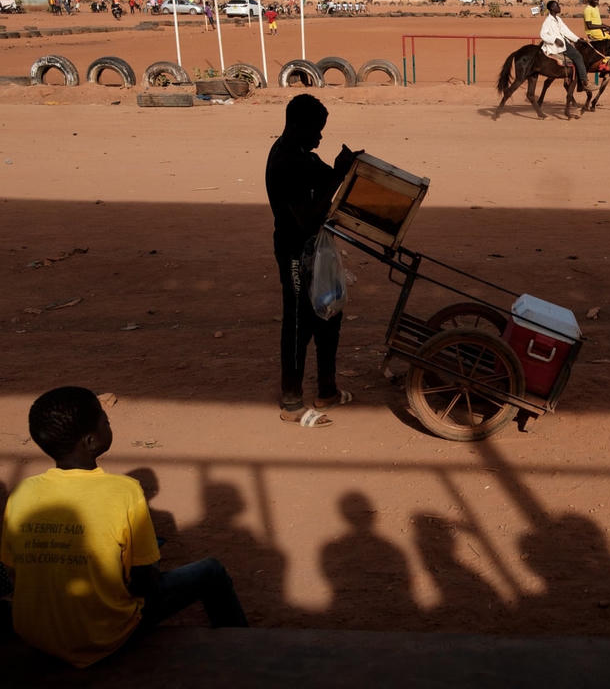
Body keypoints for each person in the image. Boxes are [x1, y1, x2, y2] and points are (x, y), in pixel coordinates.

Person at [0, 387, 247, 668]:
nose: (109, 423)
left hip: (35, 633)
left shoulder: (22, 493)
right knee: (211, 571)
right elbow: (144, 583)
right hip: (102, 636)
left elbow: (15, 570)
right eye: (105, 420)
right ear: (91, 441)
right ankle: (243, 651)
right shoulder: (124, 492)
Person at [265, 95, 360, 428]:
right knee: (297, 322)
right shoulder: (284, 161)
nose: (320, 137)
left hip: (314, 249)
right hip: (294, 251)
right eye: (316, 130)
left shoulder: (303, 156)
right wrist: (338, 176)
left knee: (329, 314)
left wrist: (341, 170)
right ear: (298, 126)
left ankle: (327, 389)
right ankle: (291, 402)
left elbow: (325, 174)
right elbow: (305, 218)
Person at [539, 0, 589, 94]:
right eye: (557, 6)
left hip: (564, 43)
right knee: (578, 56)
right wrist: (554, 40)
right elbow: (542, 34)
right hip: (556, 47)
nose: (559, 7)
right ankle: (584, 81)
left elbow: (566, 31)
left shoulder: (558, 19)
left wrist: (577, 39)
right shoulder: (548, 21)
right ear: (552, 8)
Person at [581, 0, 610, 72]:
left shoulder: (596, 8)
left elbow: (598, 23)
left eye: (597, 0)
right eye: (595, 0)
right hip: (592, 32)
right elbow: (589, 25)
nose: (596, 2)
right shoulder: (587, 10)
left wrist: (609, 27)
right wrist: (603, 26)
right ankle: (604, 63)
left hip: (598, 31)